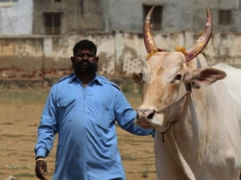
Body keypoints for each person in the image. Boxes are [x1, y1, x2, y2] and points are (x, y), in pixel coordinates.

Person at [34, 39, 153, 180]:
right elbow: (47, 126)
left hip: (107, 173)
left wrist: (156, 126)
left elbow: (129, 120)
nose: (85, 58)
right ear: (73, 59)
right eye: (80, 55)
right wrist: (40, 155)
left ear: (96, 59)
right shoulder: (59, 89)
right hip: (69, 172)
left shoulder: (111, 90)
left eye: (89, 55)